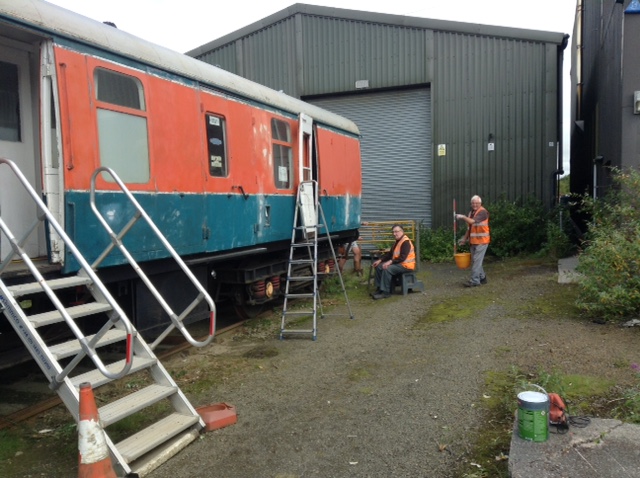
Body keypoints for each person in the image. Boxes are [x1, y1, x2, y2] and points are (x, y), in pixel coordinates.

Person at [371, 225, 416, 299]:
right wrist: (380, 260)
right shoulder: (397, 242)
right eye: (393, 232)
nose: (394, 234)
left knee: (387, 269)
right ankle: (379, 289)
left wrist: (390, 262)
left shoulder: (406, 242)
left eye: (396, 232)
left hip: (406, 266)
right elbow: (389, 254)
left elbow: (402, 257)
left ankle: (386, 292)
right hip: (400, 264)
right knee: (379, 266)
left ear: (402, 231)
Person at [456, 195, 490, 287]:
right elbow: (469, 228)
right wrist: (464, 239)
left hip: (482, 241)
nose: (475, 205)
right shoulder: (471, 213)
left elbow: (472, 222)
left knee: (476, 262)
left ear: (480, 204)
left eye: (477, 203)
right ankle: (482, 278)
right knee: (476, 261)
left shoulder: (482, 212)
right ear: (471, 204)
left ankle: (475, 281)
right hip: (473, 241)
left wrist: (462, 217)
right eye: (473, 203)